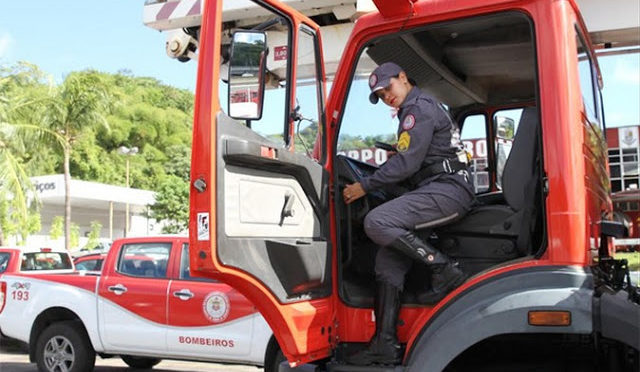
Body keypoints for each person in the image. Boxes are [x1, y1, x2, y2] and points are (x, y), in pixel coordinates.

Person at [343, 62, 475, 365]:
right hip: (440, 185)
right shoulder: (415, 109)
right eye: (380, 94)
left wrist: (364, 186)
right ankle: (384, 344)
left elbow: (406, 166)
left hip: (449, 189)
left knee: (377, 221)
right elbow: (414, 160)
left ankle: (444, 269)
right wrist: (398, 158)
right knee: (388, 257)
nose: (387, 96)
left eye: (388, 88)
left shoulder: (418, 108)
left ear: (403, 77)